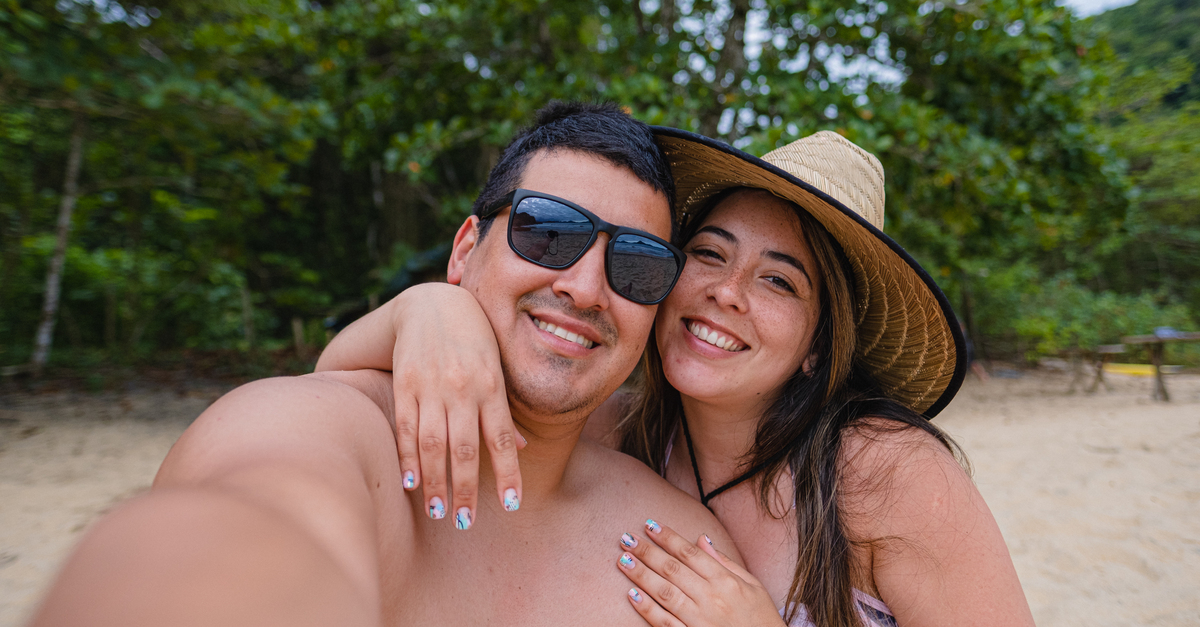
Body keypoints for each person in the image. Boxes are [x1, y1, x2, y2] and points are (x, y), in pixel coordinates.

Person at [29, 102, 740, 627]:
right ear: (465, 250)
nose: (585, 288)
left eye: (636, 266)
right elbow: (244, 528)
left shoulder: (673, 541)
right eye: (547, 232)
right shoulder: (318, 429)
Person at [317, 128, 1036, 626]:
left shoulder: (884, 473)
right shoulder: (612, 428)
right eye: (710, 254)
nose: (727, 293)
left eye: (780, 282)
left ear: (819, 343)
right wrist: (426, 308)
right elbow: (336, 389)